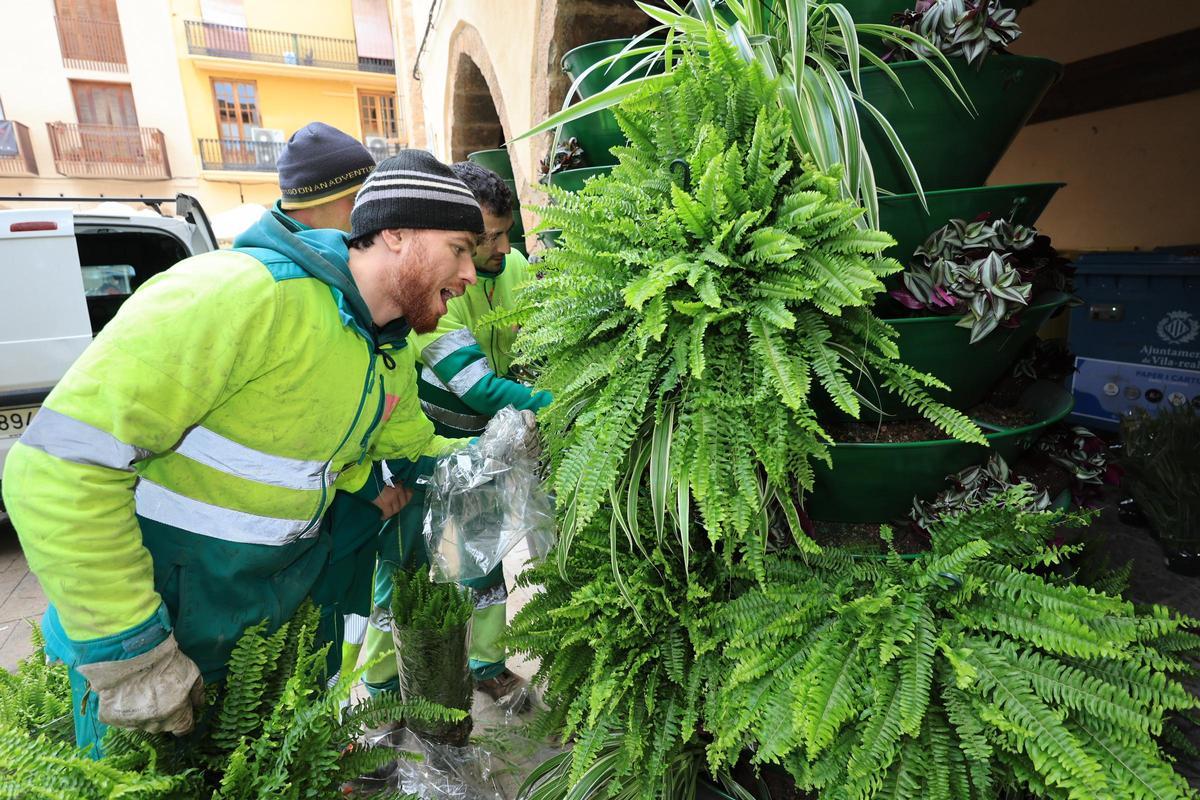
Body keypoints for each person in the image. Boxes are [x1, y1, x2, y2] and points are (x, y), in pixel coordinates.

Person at [1, 150, 504, 756]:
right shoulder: (240, 294)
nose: (472, 274)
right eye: (457, 247)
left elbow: (412, 448)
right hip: (169, 625)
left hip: (273, 621)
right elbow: (56, 467)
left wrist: (495, 450)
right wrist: (129, 652)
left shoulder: (387, 354)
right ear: (395, 234)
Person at [360, 161, 552, 705]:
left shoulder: (512, 268)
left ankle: (485, 663)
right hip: (420, 455)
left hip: (490, 449)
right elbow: (477, 388)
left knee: (484, 561)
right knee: (401, 574)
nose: (499, 249)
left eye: (502, 234)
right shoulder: (433, 290)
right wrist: (556, 404)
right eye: (482, 239)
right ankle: (379, 691)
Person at [238, 122, 410, 676]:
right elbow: (306, 425)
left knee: (326, 656)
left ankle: (336, 744)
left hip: (312, 532)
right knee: (302, 667)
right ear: (349, 201)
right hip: (262, 553)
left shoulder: (327, 279)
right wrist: (366, 487)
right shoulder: (276, 291)